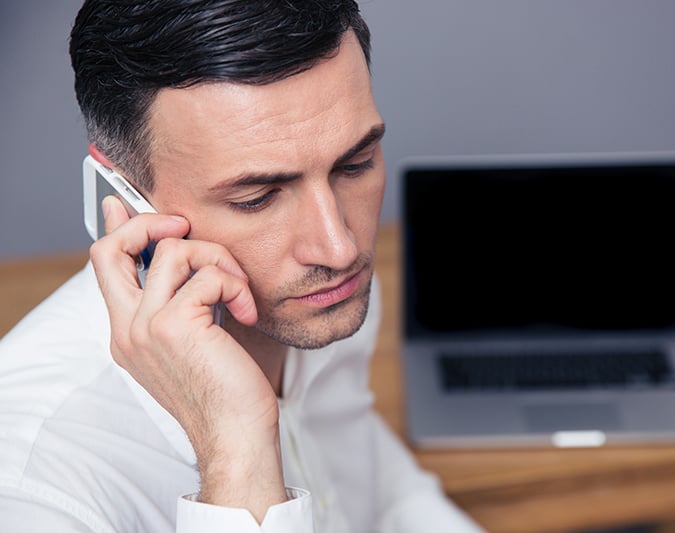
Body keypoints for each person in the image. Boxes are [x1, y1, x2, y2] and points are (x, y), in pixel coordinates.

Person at [0, 1, 485, 531]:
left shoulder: (323, 294)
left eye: (356, 164)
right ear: (124, 202)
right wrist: (236, 451)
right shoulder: (33, 490)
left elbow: (375, 487)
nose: (339, 247)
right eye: (257, 197)